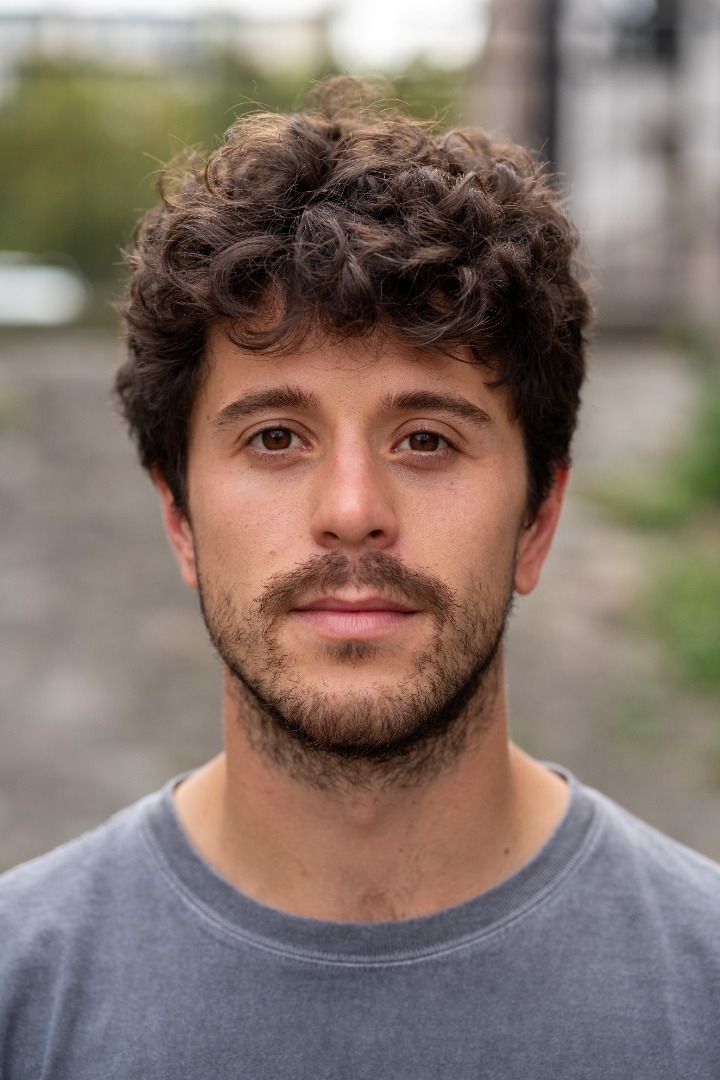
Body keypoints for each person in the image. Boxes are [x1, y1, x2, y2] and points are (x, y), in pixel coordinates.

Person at [1, 76, 719, 1079]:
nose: (351, 509)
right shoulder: (21, 993)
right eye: (276, 437)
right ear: (179, 518)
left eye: (426, 439)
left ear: (538, 521)